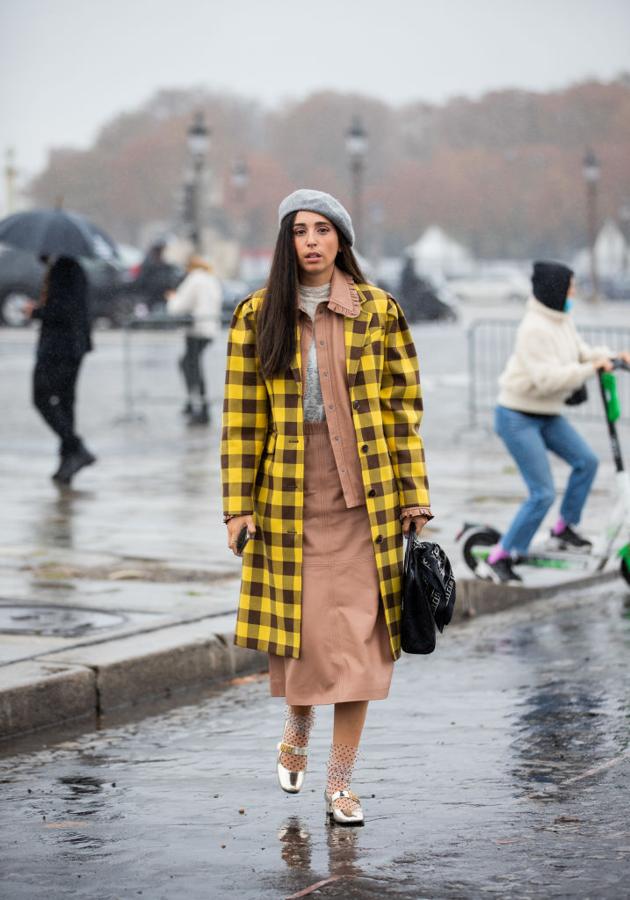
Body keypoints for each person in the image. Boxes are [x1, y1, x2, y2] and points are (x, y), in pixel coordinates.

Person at [221, 189, 432, 826]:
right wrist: (236, 507)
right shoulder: (257, 314)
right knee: (309, 639)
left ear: (341, 239)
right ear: (287, 243)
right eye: (299, 231)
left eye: (323, 230)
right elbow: (240, 419)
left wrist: (415, 495)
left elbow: (403, 410)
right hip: (288, 499)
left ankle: (340, 783)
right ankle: (296, 726)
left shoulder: (379, 311)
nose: (312, 241)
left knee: (360, 647)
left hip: (366, 499)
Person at [487, 260, 630, 583]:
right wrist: (593, 369)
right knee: (542, 493)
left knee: (587, 461)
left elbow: (581, 352)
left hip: (546, 414)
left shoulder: (560, 320)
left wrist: (611, 357)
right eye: (570, 287)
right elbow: (547, 379)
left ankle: (564, 528)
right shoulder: (533, 329)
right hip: (517, 417)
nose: (574, 292)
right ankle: (502, 555)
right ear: (555, 290)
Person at [29, 256, 96, 485]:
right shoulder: (69, 267)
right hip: (71, 347)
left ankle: (76, 448)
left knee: (41, 398)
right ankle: (68, 460)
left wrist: (36, 312)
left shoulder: (65, 269)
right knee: (65, 404)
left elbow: (64, 310)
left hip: (60, 348)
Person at [166, 255, 222, 425]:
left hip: (195, 329)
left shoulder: (194, 280)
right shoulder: (210, 279)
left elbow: (179, 306)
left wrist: (171, 298)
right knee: (191, 364)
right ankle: (195, 404)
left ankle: (199, 406)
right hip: (208, 329)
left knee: (191, 366)